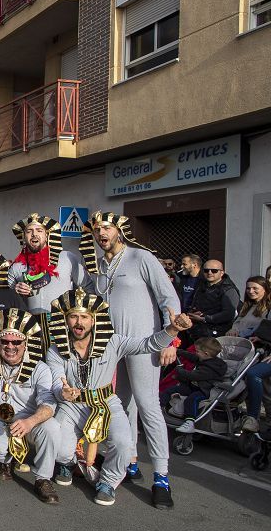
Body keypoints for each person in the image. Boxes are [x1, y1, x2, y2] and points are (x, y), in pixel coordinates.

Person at [46, 288, 193, 507]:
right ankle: (70, 462)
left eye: (84, 317)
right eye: (74, 316)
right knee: (57, 444)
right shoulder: (57, 348)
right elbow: (57, 379)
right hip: (72, 405)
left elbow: (147, 344)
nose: (79, 322)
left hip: (106, 402)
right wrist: (62, 392)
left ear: (94, 319)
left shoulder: (112, 341)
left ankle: (108, 482)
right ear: (66, 320)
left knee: (124, 443)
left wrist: (172, 330)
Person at [80, 211, 180, 507]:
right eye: (97, 229)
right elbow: (89, 296)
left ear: (119, 231)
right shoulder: (99, 265)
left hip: (144, 343)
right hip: (112, 345)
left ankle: (161, 475)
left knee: (148, 404)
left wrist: (171, 338)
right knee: (121, 404)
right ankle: (129, 460)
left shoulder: (141, 258)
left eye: (107, 228)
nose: (101, 234)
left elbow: (168, 298)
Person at [0, 308, 61, 504]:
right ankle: (5, 460)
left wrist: (30, 422)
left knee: (51, 428)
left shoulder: (40, 369)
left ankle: (43, 478)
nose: (10, 346)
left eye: (16, 342)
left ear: (26, 344)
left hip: (28, 421)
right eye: (4, 341)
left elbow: (48, 403)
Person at [7, 213, 88, 319]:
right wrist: (15, 291)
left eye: (39, 230)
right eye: (29, 231)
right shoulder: (16, 266)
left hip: (62, 323)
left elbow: (87, 287)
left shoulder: (67, 258)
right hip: (31, 326)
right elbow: (6, 299)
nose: (34, 234)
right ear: (24, 236)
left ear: (47, 235)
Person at [162, 337, 228, 430]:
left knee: (192, 399)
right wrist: (178, 351)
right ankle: (158, 408)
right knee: (170, 390)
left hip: (204, 391)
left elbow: (193, 375)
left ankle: (190, 421)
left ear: (206, 354)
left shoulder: (210, 368)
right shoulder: (205, 359)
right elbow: (192, 356)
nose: (196, 353)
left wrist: (179, 370)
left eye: (197, 351)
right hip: (193, 387)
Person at [185, 259, 240, 340]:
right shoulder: (201, 286)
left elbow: (228, 314)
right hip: (198, 332)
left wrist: (205, 319)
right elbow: (194, 305)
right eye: (206, 270)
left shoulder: (229, 290)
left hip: (217, 334)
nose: (209, 273)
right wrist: (192, 313)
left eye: (214, 270)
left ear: (222, 273)